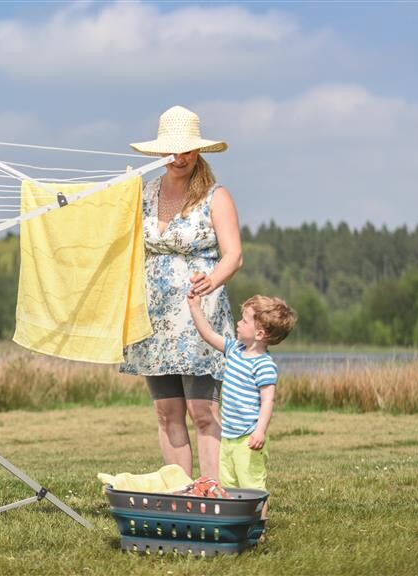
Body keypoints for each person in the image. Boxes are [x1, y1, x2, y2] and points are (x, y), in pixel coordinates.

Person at [120, 105, 243, 481]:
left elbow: (234, 255)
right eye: (172, 150)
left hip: (197, 316)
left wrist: (213, 280)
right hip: (154, 319)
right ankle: (180, 492)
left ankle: (213, 491)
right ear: (161, 152)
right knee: (166, 412)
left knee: (202, 410)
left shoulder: (214, 196)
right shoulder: (144, 194)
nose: (179, 158)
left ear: (198, 151)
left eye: (187, 150)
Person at [187, 293, 297, 518]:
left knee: (252, 487)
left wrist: (260, 431)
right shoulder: (234, 349)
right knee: (229, 485)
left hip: (248, 439)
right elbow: (208, 335)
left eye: (244, 320)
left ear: (259, 333)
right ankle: (235, 523)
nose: (238, 323)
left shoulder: (264, 365)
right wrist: (195, 308)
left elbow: (268, 401)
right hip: (228, 436)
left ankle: (258, 528)